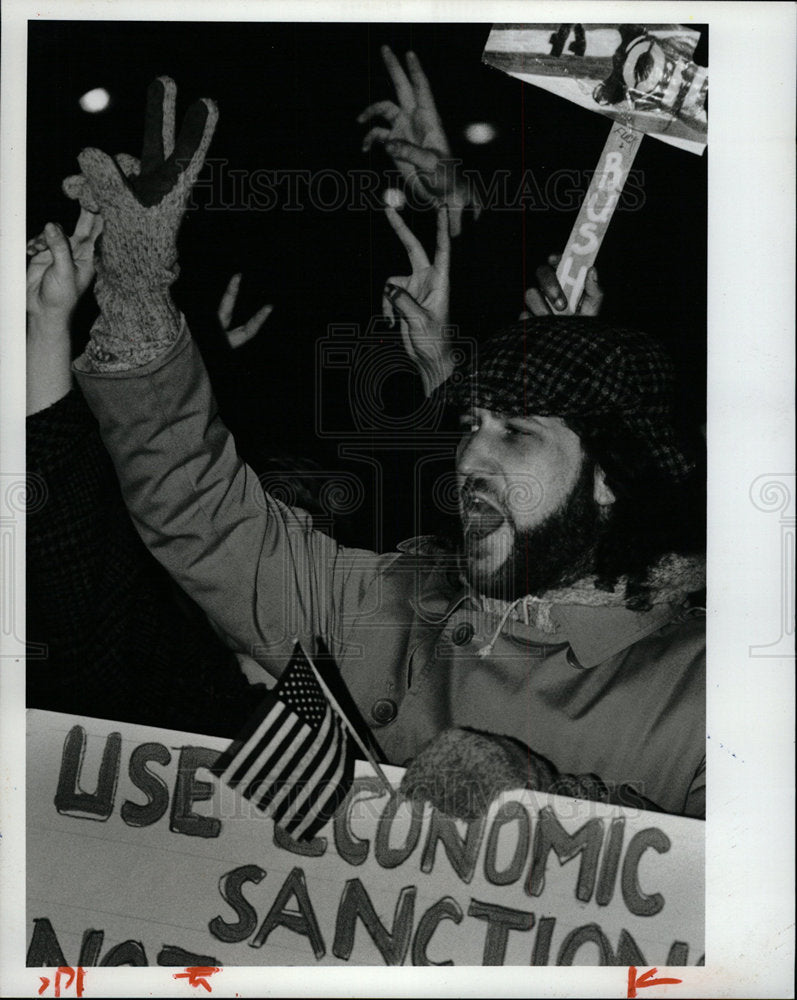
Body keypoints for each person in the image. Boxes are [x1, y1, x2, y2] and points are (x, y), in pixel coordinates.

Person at [65, 77, 705, 821]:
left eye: (517, 432)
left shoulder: (707, 689)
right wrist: (136, 295)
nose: (469, 457)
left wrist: (544, 807)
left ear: (609, 481)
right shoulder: (390, 607)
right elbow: (199, 514)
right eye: (470, 424)